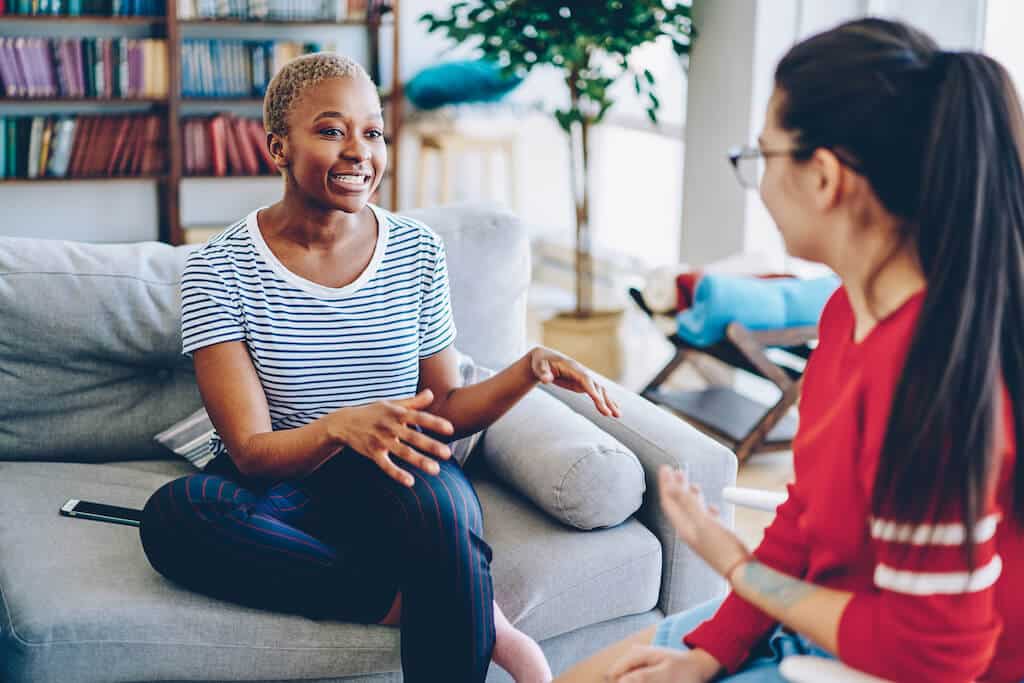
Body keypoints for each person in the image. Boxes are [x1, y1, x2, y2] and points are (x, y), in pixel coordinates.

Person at [556, 17, 1024, 683]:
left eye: (763, 156)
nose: (760, 180)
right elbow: (806, 513)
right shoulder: (846, 313)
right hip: (817, 627)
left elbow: (935, 654)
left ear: (824, 177)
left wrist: (734, 564)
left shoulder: (928, 370)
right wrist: (710, 650)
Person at [138, 51, 621, 683]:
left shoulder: (418, 251)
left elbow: (444, 410)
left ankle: (451, 605)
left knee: (447, 516)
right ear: (278, 146)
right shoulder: (218, 268)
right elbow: (253, 451)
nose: (358, 151)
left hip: (398, 469)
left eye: (372, 132)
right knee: (178, 517)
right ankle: (417, 603)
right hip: (282, 477)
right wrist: (341, 427)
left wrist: (526, 369)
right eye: (331, 130)